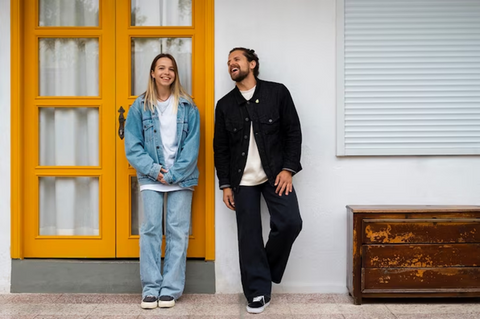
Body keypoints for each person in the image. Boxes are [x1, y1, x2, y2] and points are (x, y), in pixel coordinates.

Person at [213, 47, 303, 314]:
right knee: (249, 236)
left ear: (252, 64)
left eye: (236, 59)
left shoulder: (277, 93)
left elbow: (293, 132)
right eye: (229, 62)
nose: (231, 64)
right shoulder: (225, 105)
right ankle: (257, 292)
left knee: (290, 222)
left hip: (275, 174)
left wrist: (288, 169)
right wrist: (226, 184)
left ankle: (261, 269)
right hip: (242, 180)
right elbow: (221, 149)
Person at [124, 53, 200, 309]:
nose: (166, 72)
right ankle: (150, 287)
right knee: (150, 230)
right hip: (150, 176)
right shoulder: (140, 106)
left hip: (181, 176)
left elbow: (192, 147)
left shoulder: (189, 107)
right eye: (161, 68)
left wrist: (173, 174)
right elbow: (133, 146)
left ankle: (170, 289)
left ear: (175, 74)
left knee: (178, 231)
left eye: (171, 69)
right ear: (153, 73)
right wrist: (156, 171)